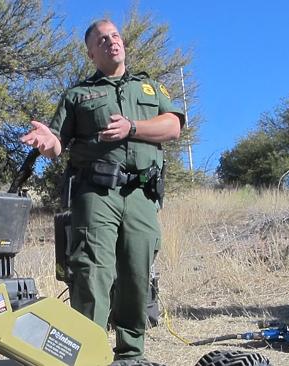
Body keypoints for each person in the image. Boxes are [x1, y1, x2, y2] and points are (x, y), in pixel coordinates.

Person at [21, 19, 184, 361]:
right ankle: (89, 355)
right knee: (91, 273)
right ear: (91, 52)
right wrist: (47, 142)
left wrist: (132, 127)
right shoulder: (78, 95)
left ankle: (131, 354)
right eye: (102, 39)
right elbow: (57, 144)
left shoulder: (150, 88)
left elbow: (172, 127)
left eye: (115, 35)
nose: (112, 41)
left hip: (141, 195)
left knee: (137, 274)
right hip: (96, 195)